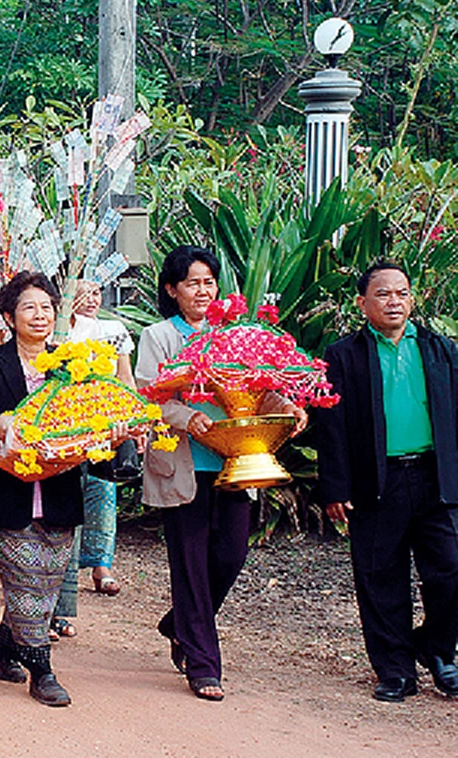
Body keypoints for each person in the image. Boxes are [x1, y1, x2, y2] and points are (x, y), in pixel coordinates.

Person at [135, 246, 306, 701]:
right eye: (192, 282)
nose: (202, 290)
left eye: (208, 282)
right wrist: (186, 416)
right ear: (172, 289)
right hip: (185, 466)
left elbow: (261, 389)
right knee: (190, 565)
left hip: (236, 462)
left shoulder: (235, 335)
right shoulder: (158, 336)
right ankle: (203, 665)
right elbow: (149, 397)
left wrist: (287, 407)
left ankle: (179, 624)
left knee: (231, 554)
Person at [318, 262, 458, 702]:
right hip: (376, 481)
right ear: (362, 303)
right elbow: (331, 426)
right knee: (380, 576)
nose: (394, 301)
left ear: (412, 299)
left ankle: (437, 649)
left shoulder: (440, 349)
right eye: (382, 294)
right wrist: (335, 488)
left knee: (451, 568)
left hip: (436, 477)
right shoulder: (344, 355)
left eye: (401, 293)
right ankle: (395, 670)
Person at [0, 271, 85, 707]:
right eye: (29, 307)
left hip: (59, 493)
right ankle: (42, 670)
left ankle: (1, 645)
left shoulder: (71, 366)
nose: (40, 315)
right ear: (9, 316)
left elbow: (90, 421)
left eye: (46, 307)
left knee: (46, 586)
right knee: (27, 582)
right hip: (6, 494)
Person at [51, 280, 134, 639]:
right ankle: (54, 609)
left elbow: (124, 379)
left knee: (101, 499)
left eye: (95, 291)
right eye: (80, 291)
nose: (89, 298)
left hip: (101, 434)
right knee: (61, 520)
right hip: (56, 434)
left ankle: (101, 566)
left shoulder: (107, 330)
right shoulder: (49, 329)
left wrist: (134, 421)